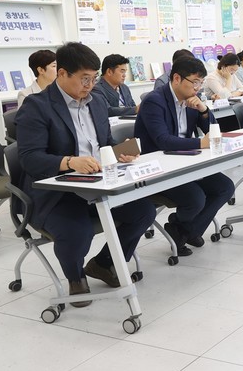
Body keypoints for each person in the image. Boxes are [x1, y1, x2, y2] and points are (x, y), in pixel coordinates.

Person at [15, 42, 155, 306]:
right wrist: (69, 162)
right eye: (84, 79)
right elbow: (30, 159)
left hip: (97, 184)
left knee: (144, 212)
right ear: (62, 73)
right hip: (57, 193)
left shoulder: (96, 102)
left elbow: (104, 143)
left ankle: (103, 263)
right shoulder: (37, 106)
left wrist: (118, 152)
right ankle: (75, 277)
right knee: (78, 232)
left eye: (94, 78)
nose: (90, 85)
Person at [135, 57, 235, 257]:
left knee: (225, 187)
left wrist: (204, 111)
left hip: (185, 162)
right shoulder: (155, 101)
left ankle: (182, 230)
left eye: (201, 83)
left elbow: (213, 132)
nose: (198, 88)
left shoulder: (192, 100)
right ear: (177, 79)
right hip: (160, 168)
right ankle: (186, 231)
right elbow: (163, 140)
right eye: (195, 82)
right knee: (195, 198)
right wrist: (199, 143)